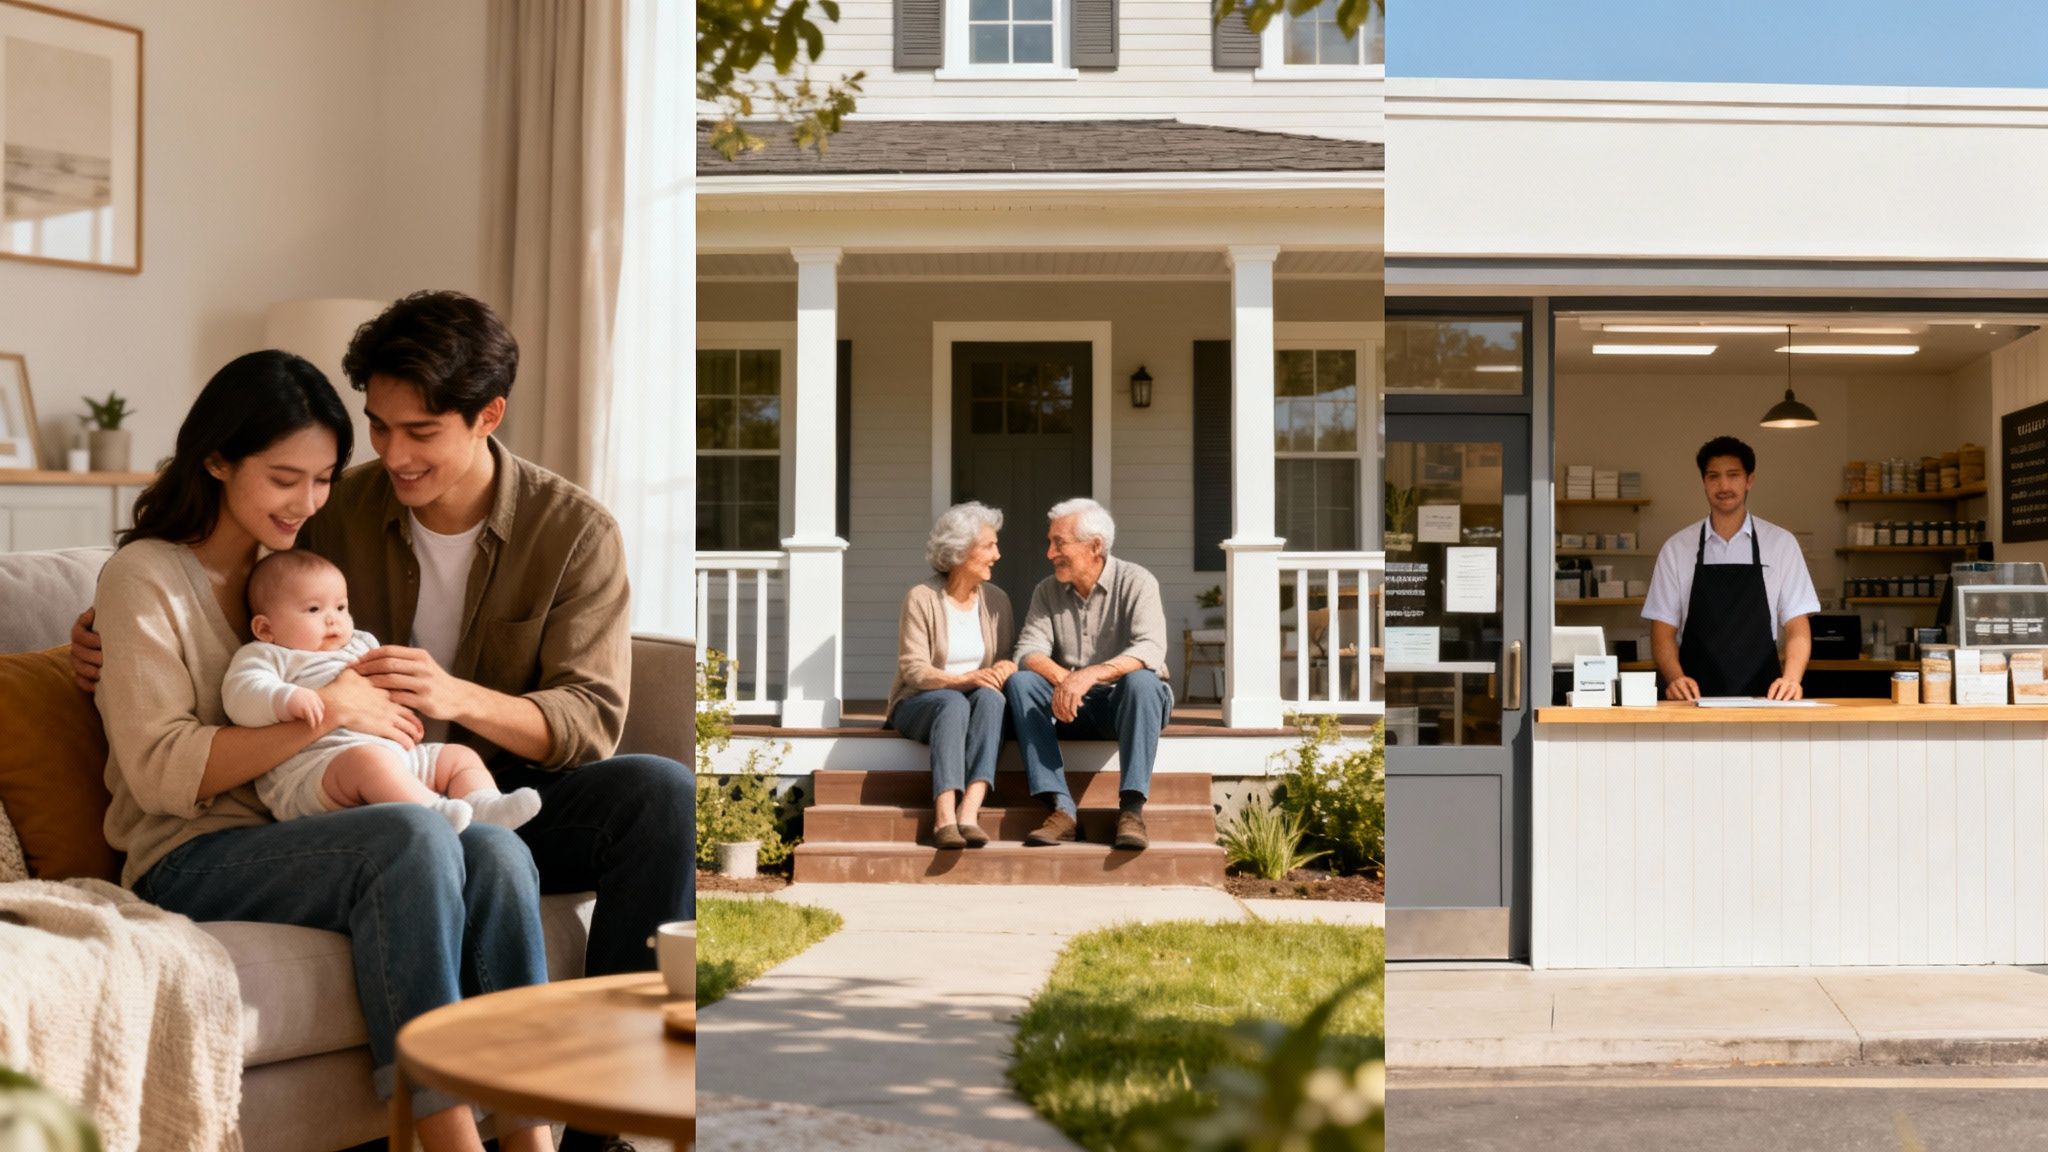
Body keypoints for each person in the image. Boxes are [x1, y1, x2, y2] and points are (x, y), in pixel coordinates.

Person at [76, 292, 694, 1152]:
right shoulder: (317, 525)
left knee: (583, 817)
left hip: (443, 783)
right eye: (379, 428)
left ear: (487, 417)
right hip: (301, 813)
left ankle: (568, 1123)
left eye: (420, 432)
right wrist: (94, 643)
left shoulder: (571, 531)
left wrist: (452, 698)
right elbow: (166, 670)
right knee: (420, 837)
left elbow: (591, 718)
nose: (391, 458)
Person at [91, 350, 552, 1152]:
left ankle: (531, 1133)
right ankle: (444, 1138)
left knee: (498, 851)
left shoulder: (294, 576)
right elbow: (162, 775)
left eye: (324, 478)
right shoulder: (145, 578)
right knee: (409, 836)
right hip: (191, 853)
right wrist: (322, 714)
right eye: (283, 479)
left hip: (301, 832)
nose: (307, 501)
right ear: (215, 459)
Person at [223, 549, 542, 831]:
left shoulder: (360, 644)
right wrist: (286, 699)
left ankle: (483, 805)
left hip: (397, 757)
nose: (333, 620)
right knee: (369, 762)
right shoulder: (268, 655)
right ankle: (433, 811)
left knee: (458, 757)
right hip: (316, 772)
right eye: (314, 610)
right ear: (265, 628)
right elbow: (240, 696)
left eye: (341, 607)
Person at [1004, 498, 1173, 850]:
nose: (1050, 553)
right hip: (1071, 707)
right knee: (1022, 681)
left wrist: (1091, 675)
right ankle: (1061, 809)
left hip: (1124, 706)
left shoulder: (1137, 581)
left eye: (1059, 543)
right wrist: (1069, 679)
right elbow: (1027, 651)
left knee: (1143, 680)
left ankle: (1131, 811)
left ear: (1095, 546)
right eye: (1050, 543)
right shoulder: (1046, 591)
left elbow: (1151, 649)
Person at [1644, 435, 1820, 701]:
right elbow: (1662, 632)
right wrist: (1675, 678)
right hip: (1692, 701)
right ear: (1703, 482)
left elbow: (1797, 625)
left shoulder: (1781, 544)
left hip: (1765, 698)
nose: (1723, 485)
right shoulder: (1676, 548)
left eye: (1733, 475)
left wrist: (1792, 680)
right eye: (1713, 476)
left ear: (1749, 480)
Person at [886, 502, 1015, 850]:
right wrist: (964, 680)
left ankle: (969, 812)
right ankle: (944, 816)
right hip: (919, 703)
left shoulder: (997, 601)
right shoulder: (922, 598)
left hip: (970, 700)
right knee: (953, 701)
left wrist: (1004, 668)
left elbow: (1005, 659)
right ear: (960, 551)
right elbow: (914, 669)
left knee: (992, 698)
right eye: (989, 545)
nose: (997, 555)